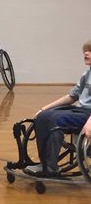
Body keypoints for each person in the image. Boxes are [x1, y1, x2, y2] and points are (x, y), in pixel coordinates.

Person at [27, 40, 91, 177]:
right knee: (44, 117)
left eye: (90, 51)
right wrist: (44, 108)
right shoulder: (87, 73)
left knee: (55, 121)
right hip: (80, 110)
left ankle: (50, 167)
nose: (86, 53)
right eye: (85, 50)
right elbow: (72, 96)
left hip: (88, 114)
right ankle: (45, 163)